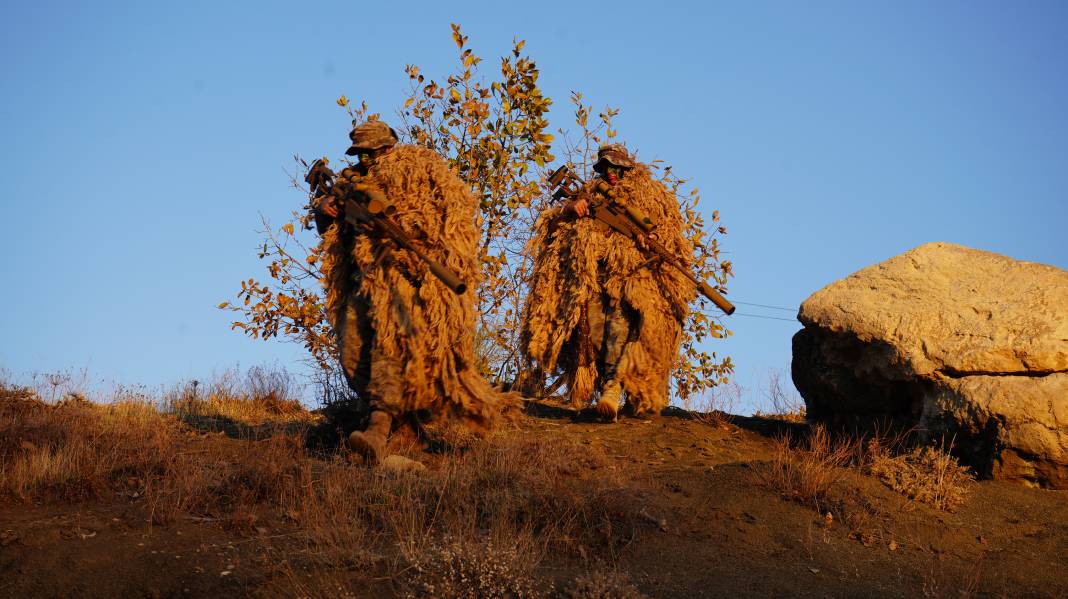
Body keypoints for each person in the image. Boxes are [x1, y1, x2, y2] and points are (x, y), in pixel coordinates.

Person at [311, 120, 516, 461]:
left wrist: (406, 235)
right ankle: (402, 428)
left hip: (403, 278)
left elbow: (451, 217)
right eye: (361, 155)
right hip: (363, 281)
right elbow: (327, 226)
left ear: (388, 148)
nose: (366, 160)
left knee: (389, 349)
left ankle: (378, 428)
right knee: (352, 352)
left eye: (371, 153)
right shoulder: (351, 182)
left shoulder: (422, 168)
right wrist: (325, 209)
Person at [520, 144, 695, 421]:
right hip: (593, 279)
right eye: (606, 168)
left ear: (628, 168)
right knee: (596, 336)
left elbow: (667, 235)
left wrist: (645, 244)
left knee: (623, 330)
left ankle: (616, 391)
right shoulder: (589, 195)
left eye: (617, 168)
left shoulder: (651, 197)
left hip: (633, 281)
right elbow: (555, 227)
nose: (611, 173)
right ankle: (606, 390)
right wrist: (570, 207)